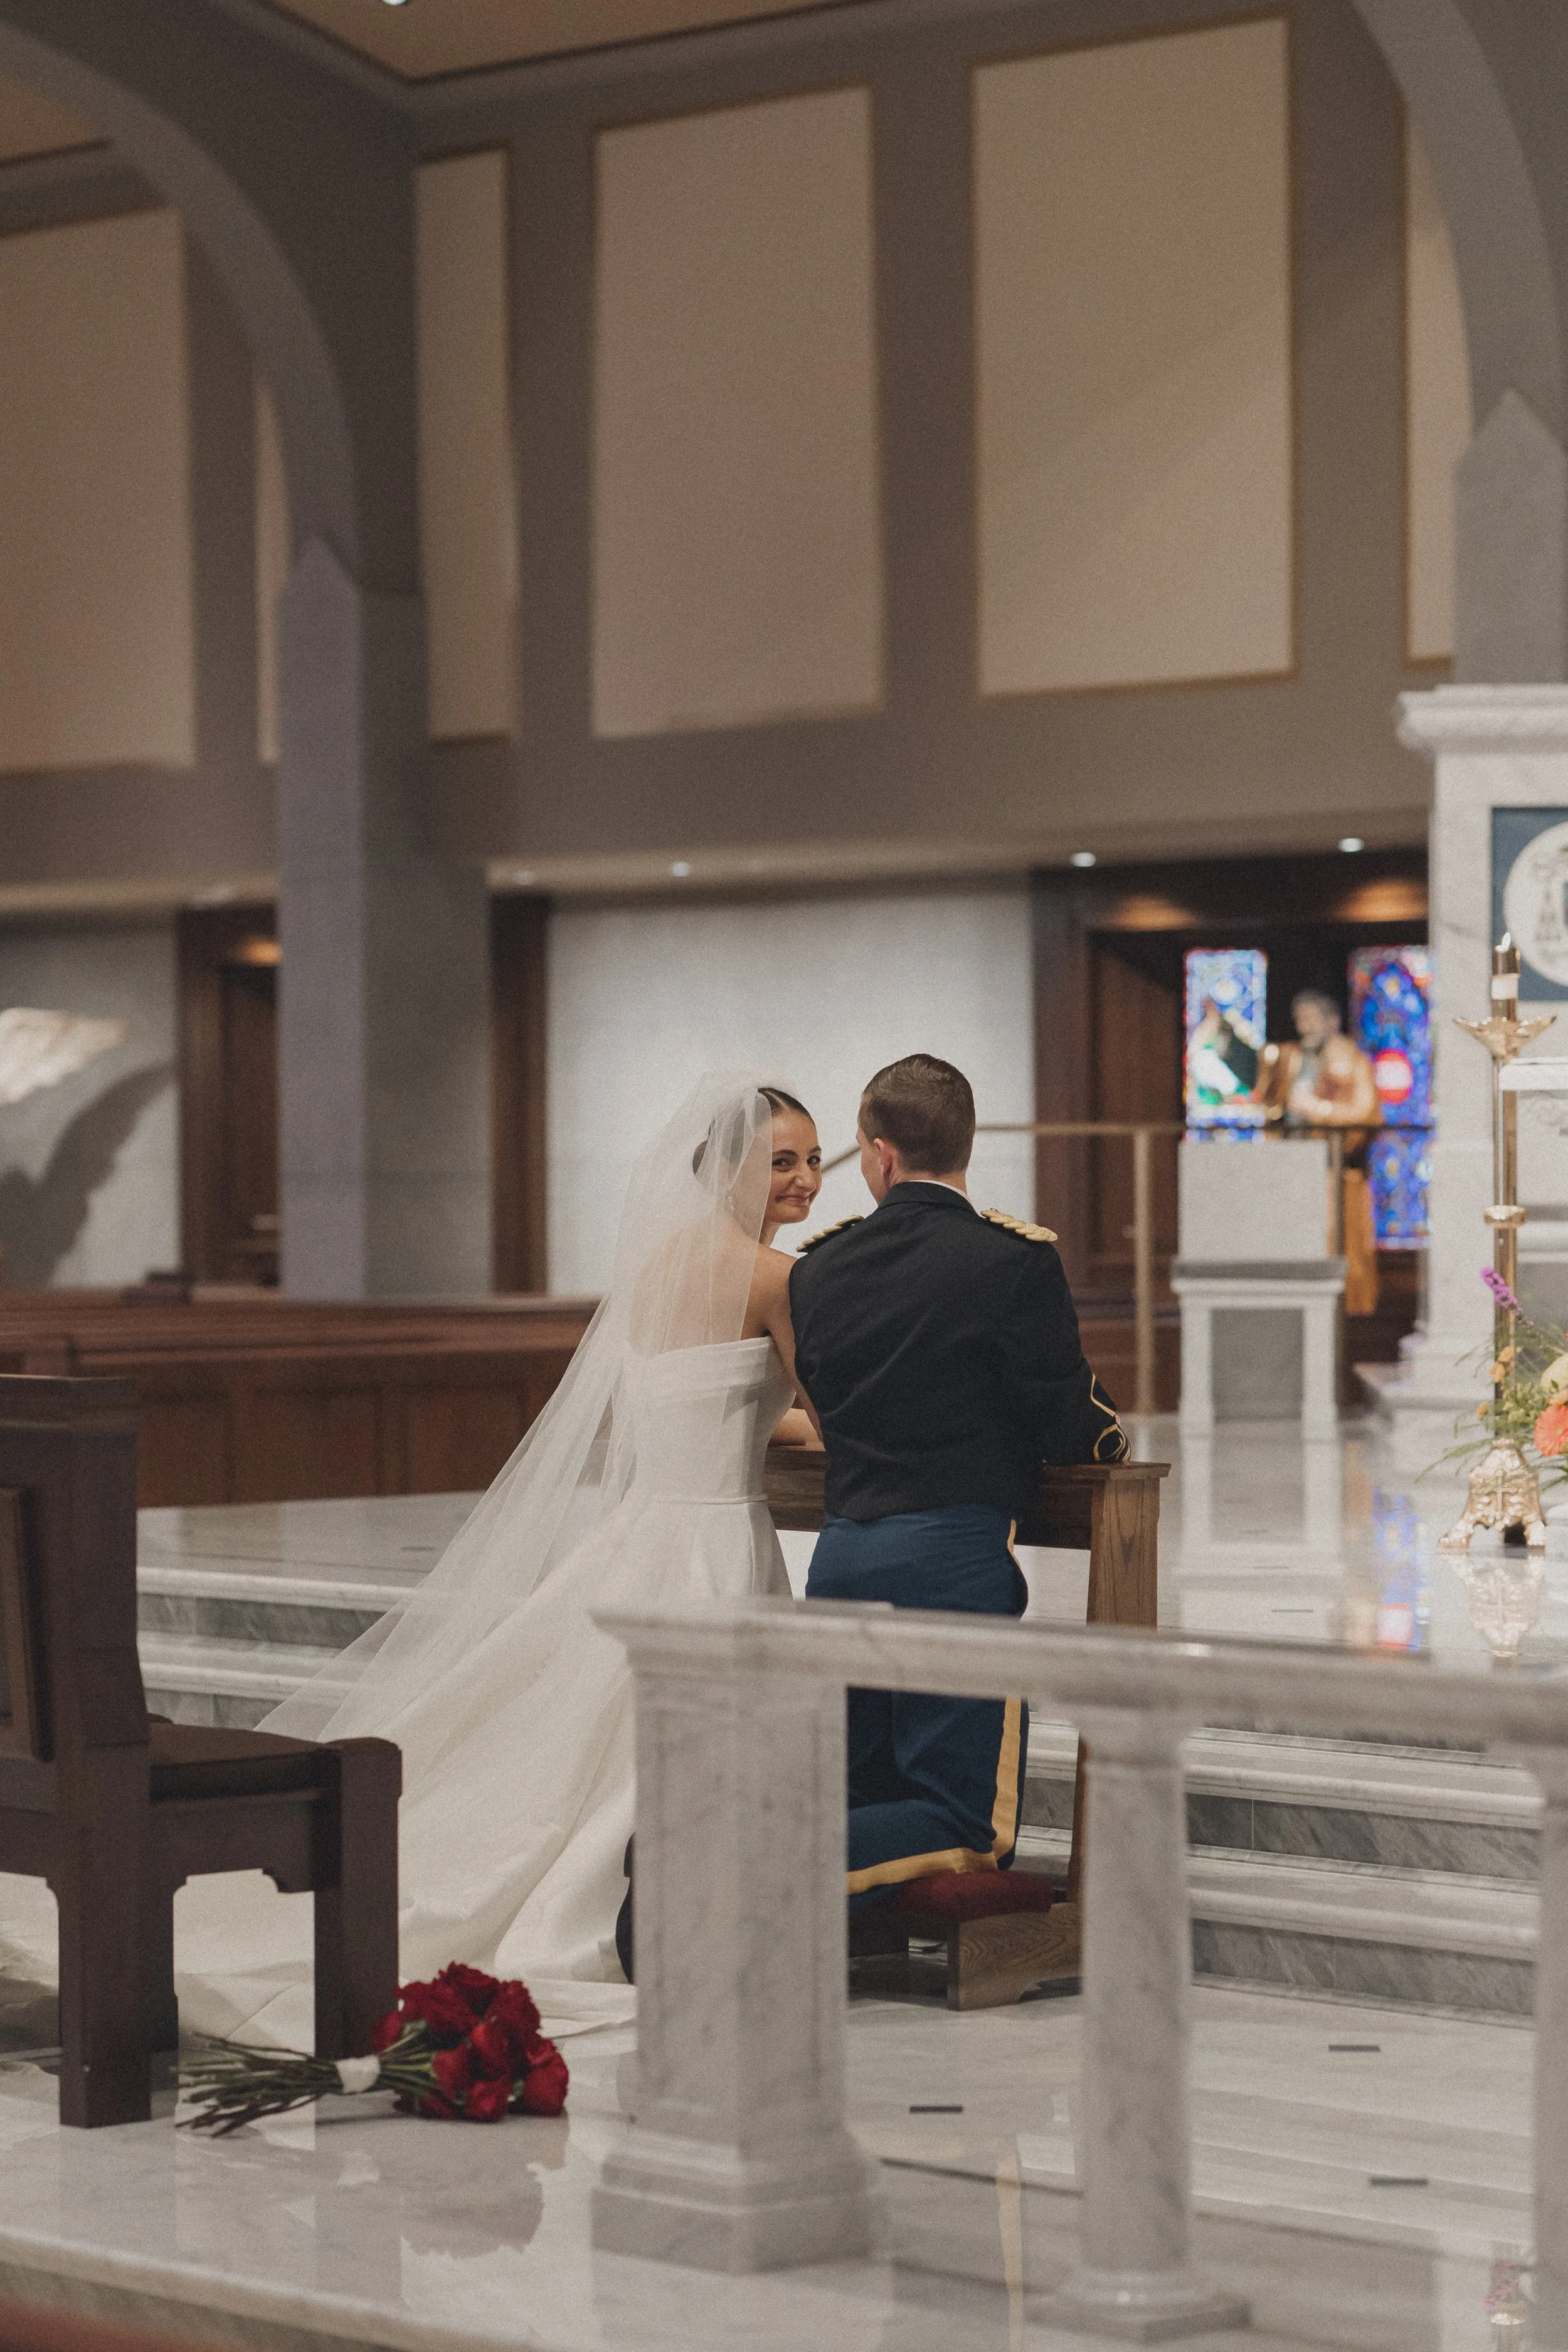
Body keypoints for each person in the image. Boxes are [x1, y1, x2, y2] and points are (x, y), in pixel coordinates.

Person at [202, 1074, 824, 2035]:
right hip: (714, 1541)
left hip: (643, 1531)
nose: (807, 1180)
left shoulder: (659, 1263)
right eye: (784, 1160)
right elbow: (823, 1417)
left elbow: (694, 1401)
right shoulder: (775, 1277)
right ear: (729, 1169)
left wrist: (762, 1423)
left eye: (814, 1159)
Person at [788, 1053, 1125, 1909]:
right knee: (963, 1822)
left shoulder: (819, 1267)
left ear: (879, 1152)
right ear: (963, 1144)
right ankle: (741, 1857)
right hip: (951, 1564)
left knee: (862, 1787)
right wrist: (1105, 1438)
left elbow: (824, 1397)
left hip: (839, 1563)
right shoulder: (1010, 1260)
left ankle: (731, 1844)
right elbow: (1071, 1417)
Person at [1257, 988, 1380, 1315]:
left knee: (1336, 1247)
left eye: (1312, 1019)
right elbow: (1268, 1101)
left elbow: (1365, 1114)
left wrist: (1319, 1109)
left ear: (1332, 1022)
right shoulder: (1290, 1058)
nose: (1305, 1027)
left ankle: (1344, 1315)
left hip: (1336, 1173)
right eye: (1300, 1020)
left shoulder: (1353, 1062)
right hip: (1291, 1169)